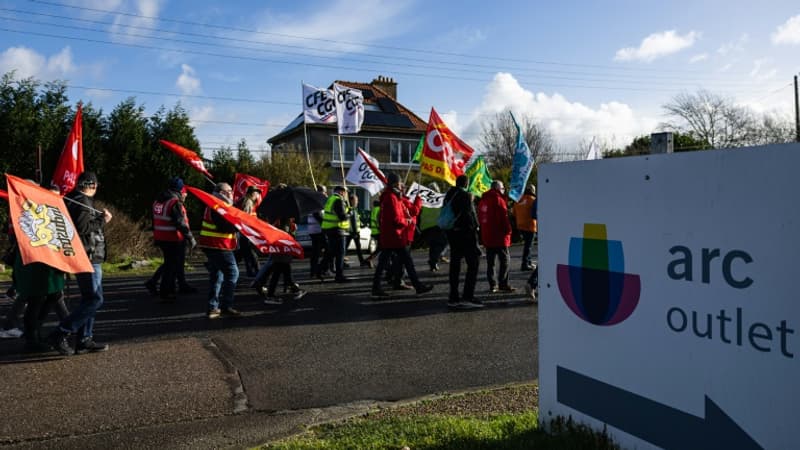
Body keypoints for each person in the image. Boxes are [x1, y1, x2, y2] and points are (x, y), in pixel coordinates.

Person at [48, 171, 112, 355]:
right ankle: (61, 332)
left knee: (89, 299)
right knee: (94, 299)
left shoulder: (72, 199)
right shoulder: (82, 201)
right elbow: (82, 228)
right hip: (88, 256)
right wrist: (102, 219)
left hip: (85, 255)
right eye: (96, 186)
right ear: (92, 185)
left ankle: (85, 339)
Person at [371, 173, 433, 298]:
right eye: (400, 183)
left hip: (392, 237)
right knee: (406, 262)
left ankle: (377, 288)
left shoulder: (393, 196)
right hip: (395, 237)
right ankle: (417, 286)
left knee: (385, 263)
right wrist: (407, 221)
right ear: (395, 183)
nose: (402, 186)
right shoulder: (391, 197)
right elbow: (396, 219)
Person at [146, 177, 197, 301]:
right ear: (180, 190)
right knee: (171, 265)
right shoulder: (174, 203)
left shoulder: (159, 201)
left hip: (161, 236)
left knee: (170, 263)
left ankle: (168, 286)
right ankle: (166, 292)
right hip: (173, 238)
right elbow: (180, 223)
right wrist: (190, 237)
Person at [197, 182, 241, 319]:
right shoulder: (218, 206)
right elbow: (225, 227)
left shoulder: (215, 204)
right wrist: (239, 225)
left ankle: (213, 307)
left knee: (217, 276)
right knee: (233, 273)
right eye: (229, 191)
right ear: (221, 193)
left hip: (212, 245)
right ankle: (226, 306)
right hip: (219, 245)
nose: (232, 193)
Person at [443, 175, 483, 309]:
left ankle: (453, 297)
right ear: (466, 184)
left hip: (452, 233)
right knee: (474, 263)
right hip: (465, 234)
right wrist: (475, 229)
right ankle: (468, 296)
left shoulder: (449, 194)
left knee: (455, 265)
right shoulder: (465, 196)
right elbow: (468, 217)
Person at [479, 180, 515, 293]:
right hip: (499, 236)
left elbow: (480, 217)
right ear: (498, 188)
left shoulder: (483, 200)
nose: (504, 190)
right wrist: (509, 231)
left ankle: (493, 285)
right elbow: (503, 218)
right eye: (503, 188)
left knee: (491, 263)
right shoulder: (499, 200)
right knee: (505, 260)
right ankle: (503, 283)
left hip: (488, 236)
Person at [320, 185, 350, 283]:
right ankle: (339, 275)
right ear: (341, 192)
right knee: (340, 253)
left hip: (330, 229)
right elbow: (342, 216)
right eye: (345, 192)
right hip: (337, 229)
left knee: (331, 252)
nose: (346, 194)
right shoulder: (338, 200)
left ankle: (320, 269)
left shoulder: (331, 199)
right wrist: (349, 214)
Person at [418, 184, 448, 272]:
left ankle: (433, 263)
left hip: (425, 226)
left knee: (433, 245)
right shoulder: (440, 199)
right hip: (437, 224)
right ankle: (435, 260)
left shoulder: (423, 199)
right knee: (442, 243)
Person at [236, 185, 262, 277]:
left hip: (246, 233)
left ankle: (251, 272)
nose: (258, 195)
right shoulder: (248, 202)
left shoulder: (248, 201)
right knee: (251, 253)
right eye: (257, 193)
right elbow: (245, 218)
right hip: (247, 233)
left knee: (245, 253)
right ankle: (258, 272)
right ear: (252, 193)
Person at [513, 184, 537, 271]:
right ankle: (525, 263)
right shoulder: (533, 200)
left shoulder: (518, 200)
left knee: (527, 245)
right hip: (530, 225)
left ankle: (529, 262)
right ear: (532, 190)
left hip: (520, 225)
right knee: (528, 246)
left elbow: (514, 213)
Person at [307, 185, 328, 278]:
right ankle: (320, 269)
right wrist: (325, 224)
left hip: (314, 230)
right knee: (327, 249)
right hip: (318, 230)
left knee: (316, 252)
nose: (326, 193)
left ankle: (314, 270)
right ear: (321, 191)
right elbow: (318, 216)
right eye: (325, 191)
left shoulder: (314, 201)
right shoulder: (317, 201)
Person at [345, 193, 369, 267]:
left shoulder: (354, 209)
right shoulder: (348, 208)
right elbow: (350, 220)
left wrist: (361, 225)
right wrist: (354, 231)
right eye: (356, 200)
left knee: (358, 247)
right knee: (345, 247)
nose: (357, 202)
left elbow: (356, 220)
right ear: (351, 201)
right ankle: (341, 261)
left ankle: (362, 261)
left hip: (355, 231)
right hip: (350, 231)